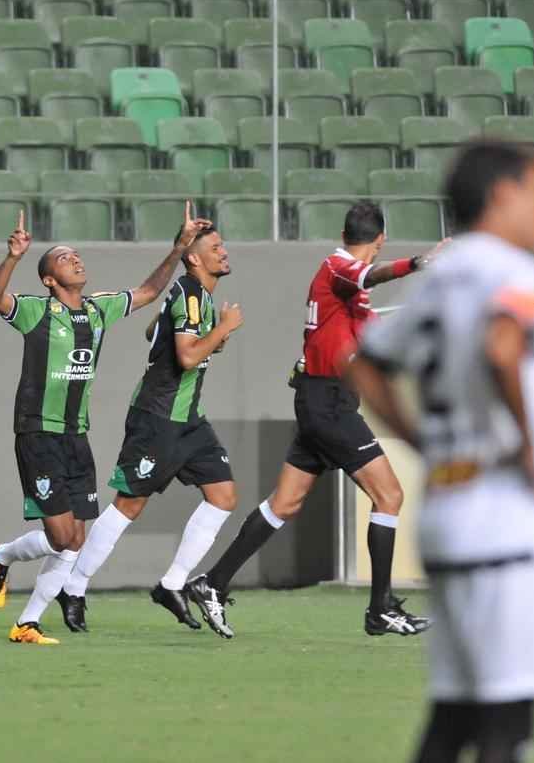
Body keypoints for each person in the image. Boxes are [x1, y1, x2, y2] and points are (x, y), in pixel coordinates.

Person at [351, 140, 534, 762]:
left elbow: (365, 364)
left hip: (448, 504)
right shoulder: (514, 271)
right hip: (502, 507)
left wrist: (423, 441)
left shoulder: (443, 273)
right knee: (509, 719)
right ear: (503, 196)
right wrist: (528, 451)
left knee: (454, 714)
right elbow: (503, 347)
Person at [186, 202, 441, 639]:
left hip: (321, 400)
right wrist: (419, 263)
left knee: (283, 504)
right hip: (329, 405)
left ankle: (212, 582)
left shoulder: (351, 298)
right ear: (379, 239)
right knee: (391, 496)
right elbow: (368, 275)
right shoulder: (340, 268)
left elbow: (376, 336)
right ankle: (380, 609)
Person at [0, 207, 209, 645]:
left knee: (75, 540)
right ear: (48, 279)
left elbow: (146, 291)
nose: (76, 260)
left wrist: (178, 249)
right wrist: (12, 258)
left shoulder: (98, 309)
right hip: (38, 433)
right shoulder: (35, 312)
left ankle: (26, 623)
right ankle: (1, 555)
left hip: (75, 435)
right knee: (63, 536)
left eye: (77, 255)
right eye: (65, 259)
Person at [52, 223, 244, 633]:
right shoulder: (191, 294)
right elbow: (189, 357)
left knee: (223, 495)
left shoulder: (193, 295)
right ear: (194, 257)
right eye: (215, 247)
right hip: (157, 417)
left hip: (189, 419)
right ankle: (74, 585)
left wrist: (209, 331)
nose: (224, 252)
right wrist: (224, 329)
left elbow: (151, 331)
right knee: (129, 505)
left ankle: (172, 584)